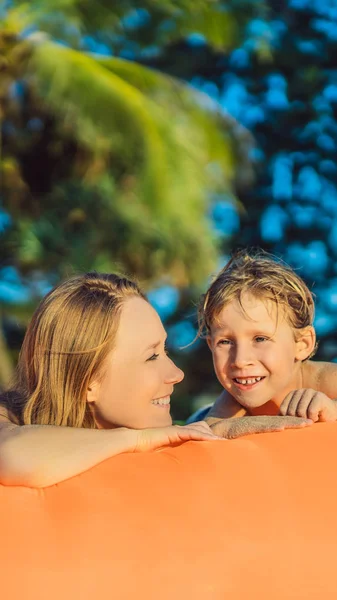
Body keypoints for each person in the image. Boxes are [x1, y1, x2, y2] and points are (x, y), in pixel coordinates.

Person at [0, 271, 310, 488]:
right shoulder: (10, 416)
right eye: (151, 357)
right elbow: (10, 455)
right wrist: (136, 440)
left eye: (165, 350)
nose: (176, 374)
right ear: (88, 382)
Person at [189, 250, 337, 427]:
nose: (240, 360)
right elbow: (212, 428)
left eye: (260, 339)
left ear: (302, 344)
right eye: (225, 342)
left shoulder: (326, 379)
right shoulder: (232, 401)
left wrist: (333, 408)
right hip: (201, 414)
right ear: (211, 345)